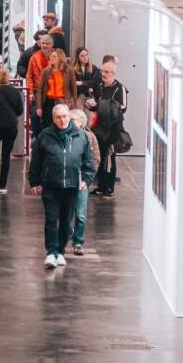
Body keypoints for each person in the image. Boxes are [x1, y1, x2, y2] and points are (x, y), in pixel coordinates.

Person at [28, 103, 97, 268]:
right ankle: (51, 252)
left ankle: (60, 251)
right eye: (58, 117)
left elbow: (88, 160)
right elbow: (36, 161)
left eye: (65, 116)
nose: (62, 120)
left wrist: (86, 180)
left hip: (72, 186)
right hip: (51, 185)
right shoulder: (45, 136)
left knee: (66, 221)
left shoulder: (81, 136)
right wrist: (34, 182)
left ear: (69, 117)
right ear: (53, 119)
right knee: (51, 219)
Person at [68, 108, 102, 256]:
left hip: (82, 180)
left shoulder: (89, 137)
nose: (69, 122)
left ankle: (78, 242)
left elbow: (95, 158)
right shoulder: (62, 135)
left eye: (72, 120)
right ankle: (67, 232)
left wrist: (88, 179)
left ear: (81, 122)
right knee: (65, 213)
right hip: (66, 180)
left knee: (81, 214)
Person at [92, 56, 127, 197]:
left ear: (113, 73)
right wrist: (94, 107)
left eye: (106, 72)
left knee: (109, 158)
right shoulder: (100, 86)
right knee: (100, 156)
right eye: (102, 71)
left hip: (113, 127)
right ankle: (101, 186)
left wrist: (106, 107)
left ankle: (109, 188)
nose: (103, 74)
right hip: (100, 126)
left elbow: (123, 107)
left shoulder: (120, 88)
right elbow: (98, 104)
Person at [0, 67, 24, 194]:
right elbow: (20, 111)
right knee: (6, 155)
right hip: (11, 126)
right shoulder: (15, 92)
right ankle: (2, 185)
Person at [37, 48, 76, 128]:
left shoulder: (69, 70)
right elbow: (40, 90)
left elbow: (74, 89)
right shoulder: (46, 71)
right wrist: (39, 107)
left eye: (54, 56)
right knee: (47, 125)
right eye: (51, 56)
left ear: (60, 58)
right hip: (49, 101)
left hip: (63, 101)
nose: (51, 58)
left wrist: (74, 105)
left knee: (62, 124)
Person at [25, 33, 54, 134]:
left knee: (49, 116)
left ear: (52, 44)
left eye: (47, 43)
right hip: (37, 91)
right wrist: (30, 92)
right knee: (34, 116)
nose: (44, 45)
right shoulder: (35, 57)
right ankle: (37, 136)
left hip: (51, 91)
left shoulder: (56, 57)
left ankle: (47, 136)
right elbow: (29, 76)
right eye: (43, 43)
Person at [72, 46, 102, 111]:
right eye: (82, 56)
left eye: (86, 55)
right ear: (78, 57)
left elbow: (95, 82)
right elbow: (73, 84)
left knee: (90, 115)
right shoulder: (73, 69)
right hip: (79, 95)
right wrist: (88, 87)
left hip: (91, 96)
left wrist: (81, 83)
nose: (85, 57)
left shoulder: (93, 67)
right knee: (79, 113)